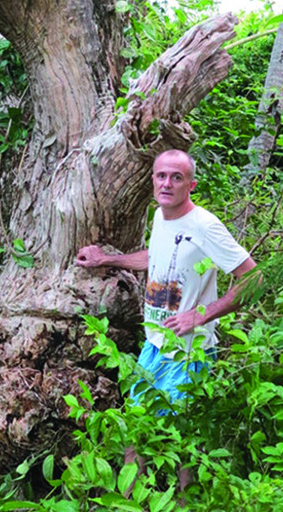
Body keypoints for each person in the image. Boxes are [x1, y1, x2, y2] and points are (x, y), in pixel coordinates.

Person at [76, 148, 259, 410]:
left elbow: (254, 279)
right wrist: (105, 259)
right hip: (155, 346)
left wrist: (200, 315)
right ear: (152, 179)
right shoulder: (162, 216)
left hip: (186, 354)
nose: (167, 184)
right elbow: (156, 257)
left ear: (191, 185)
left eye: (177, 177)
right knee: (134, 433)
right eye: (161, 176)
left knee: (164, 441)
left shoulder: (204, 226)